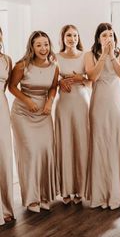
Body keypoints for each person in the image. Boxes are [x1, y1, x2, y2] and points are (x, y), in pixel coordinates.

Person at [85, 22, 120, 209]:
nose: (108, 38)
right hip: (99, 102)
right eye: (104, 35)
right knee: (100, 142)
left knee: (117, 142)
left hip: (117, 102)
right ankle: (100, 194)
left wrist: (112, 55)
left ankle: (117, 194)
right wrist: (103, 55)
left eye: (111, 35)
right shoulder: (90, 55)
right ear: (98, 38)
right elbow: (92, 77)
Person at [9, 31, 58, 213]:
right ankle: (31, 198)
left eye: (46, 44)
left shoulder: (54, 65)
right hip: (22, 113)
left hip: (43, 113)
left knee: (45, 151)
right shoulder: (22, 65)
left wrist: (49, 102)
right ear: (32, 47)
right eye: (39, 45)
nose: (43, 48)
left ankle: (44, 195)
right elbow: (12, 87)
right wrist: (27, 101)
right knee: (30, 152)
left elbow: (53, 87)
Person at [55, 25, 90, 204]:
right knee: (65, 143)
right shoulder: (56, 56)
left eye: (75, 35)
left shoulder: (86, 55)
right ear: (63, 37)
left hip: (81, 103)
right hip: (64, 104)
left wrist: (81, 78)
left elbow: (93, 80)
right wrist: (60, 81)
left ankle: (80, 189)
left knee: (81, 144)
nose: (72, 38)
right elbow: (50, 81)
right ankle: (66, 189)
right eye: (69, 35)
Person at [0, 27, 14, 224]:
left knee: (3, 153)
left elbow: (8, 85)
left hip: (1, 105)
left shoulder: (7, 60)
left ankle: (5, 206)